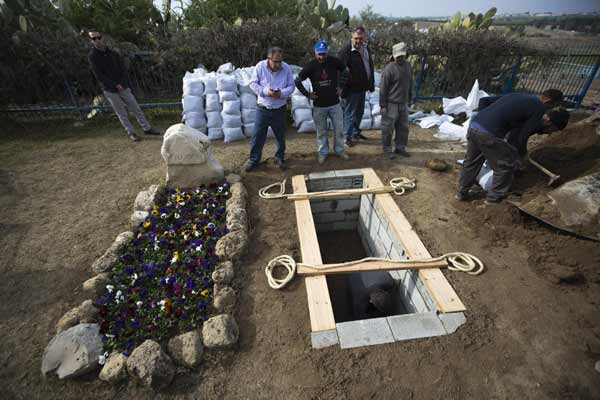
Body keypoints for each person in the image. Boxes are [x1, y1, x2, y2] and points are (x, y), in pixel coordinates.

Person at [456, 89, 569, 204]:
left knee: (472, 162)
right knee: (505, 166)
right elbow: (522, 137)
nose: (550, 109)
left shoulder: (519, 96)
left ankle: (461, 193)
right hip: (489, 133)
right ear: (549, 101)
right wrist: (523, 154)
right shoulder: (539, 107)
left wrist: (486, 119)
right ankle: (493, 200)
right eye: (553, 105)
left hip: (475, 126)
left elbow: (484, 101)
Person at [87, 31, 160, 142]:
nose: (97, 40)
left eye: (98, 37)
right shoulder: (92, 56)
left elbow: (123, 69)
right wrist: (114, 85)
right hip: (109, 89)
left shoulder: (113, 53)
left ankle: (147, 128)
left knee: (136, 107)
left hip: (123, 86)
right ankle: (131, 133)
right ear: (91, 41)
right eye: (94, 39)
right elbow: (99, 75)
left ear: (102, 38)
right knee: (121, 113)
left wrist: (122, 83)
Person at [295, 40, 350, 165]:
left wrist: (341, 86)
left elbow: (346, 71)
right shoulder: (311, 65)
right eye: (319, 54)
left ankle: (340, 150)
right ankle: (323, 152)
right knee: (321, 131)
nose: (321, 56)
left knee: (339, 129)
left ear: (327, 52)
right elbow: (297, 80)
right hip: (319, 106)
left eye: (324, 54)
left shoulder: (334, 61)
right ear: (315, 53)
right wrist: (307, 94)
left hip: (335, 104)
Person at [245, 47, 295, 172]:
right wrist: (266, 91)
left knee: (280, 135)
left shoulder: (286, 68)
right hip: (263, 108)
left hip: (279, 108)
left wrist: (281, 93)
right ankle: (254, 160)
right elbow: (252, 83)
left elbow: (291, 86)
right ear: (268, 59)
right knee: (258, 135)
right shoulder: (260, 67)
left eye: (280, 61)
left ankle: (279, 158)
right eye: (275, 61)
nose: (278, 64)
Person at [338, 26, 375, 147]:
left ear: (364, 38)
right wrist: (341, 87)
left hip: (363, 86)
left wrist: (371, 83)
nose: (358, 41)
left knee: (359, 111)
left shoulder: (366, 48)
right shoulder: (346, 50)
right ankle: (346, 137)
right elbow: (340, 70)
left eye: (361, 38)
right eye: (356, 38)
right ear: (352, 37)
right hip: (351, 88)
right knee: (349, 112)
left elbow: (369, 65)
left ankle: (355, 132)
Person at [380, 42, 412, 160]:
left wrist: (410, 99)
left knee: (403, 128)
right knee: (388, 128)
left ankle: (400, 147)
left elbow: (410, 83)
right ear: (393, 55)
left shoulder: (408, 66)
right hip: (391, 104)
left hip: (403, 103)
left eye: (402, 56)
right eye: (398, 56)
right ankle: (387, 149)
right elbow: (383, 89)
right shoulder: (389, 70)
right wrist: (383, 105)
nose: (400, 58)